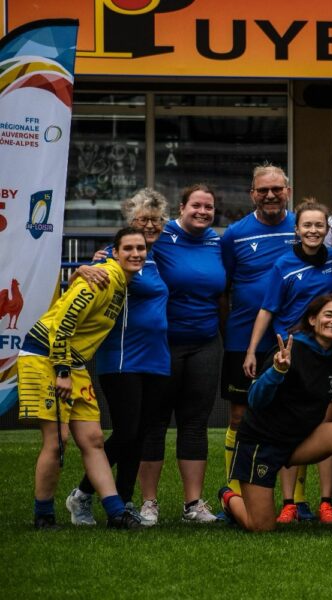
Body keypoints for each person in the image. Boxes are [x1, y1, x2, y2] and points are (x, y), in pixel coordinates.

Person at [219, 294, 332, 534]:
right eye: (328, 314)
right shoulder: (289, 349)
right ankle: (228, 498)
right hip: (262, 444)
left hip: (299, 441)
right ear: (311, 319)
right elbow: (254, 399)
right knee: (261, 527)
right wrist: (277, 371)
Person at [20, 227, 147, 529]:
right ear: (115, 252)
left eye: (140, 249)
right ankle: (43, 514)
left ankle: (116, 513)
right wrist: (62, 371)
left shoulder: (119, 280)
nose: (136, 254)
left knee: (93, 439)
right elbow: (63, 323)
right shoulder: (102, 278)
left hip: (72, 363)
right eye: (128, 248)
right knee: (57, 441)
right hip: (46, 357)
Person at [64, 190, 171, 527]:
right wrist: (79, 270)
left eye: (155, 221)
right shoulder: (113, 257)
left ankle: (123, 506)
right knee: (125, 433)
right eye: (142, 220)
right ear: (130, 223)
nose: (149, 226)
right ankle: (82, 494)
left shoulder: (152, 257)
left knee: (139, 435)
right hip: (123, 359)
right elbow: (85, 281)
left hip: (157, 359)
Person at [243, 199, 332, 524]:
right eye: (307, 225)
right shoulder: (283, 265)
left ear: (327, 230)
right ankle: (289, 503)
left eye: (319, 225)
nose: (313, 231)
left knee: (323, 424)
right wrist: (252, 350)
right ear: (297, 230)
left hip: (326, 353)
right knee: (290, 425)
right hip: (290, 353)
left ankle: (326, 502)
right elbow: (267, 309)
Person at [141, 183, 226, 524]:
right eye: (197, 206)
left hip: (206, 342)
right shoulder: (160, 235)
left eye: (209, 207)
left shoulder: (218, 242)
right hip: (163, 343)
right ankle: (148, 502)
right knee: (155, 423)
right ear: (181, 206)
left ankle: (193, 504)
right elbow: (122, 250)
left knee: (195, 424)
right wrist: (98, 260)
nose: (203, 212)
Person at [221, 164, 298, 508]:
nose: (270, 195)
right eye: (263, 190)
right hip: (243, 337)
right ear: (252, 194)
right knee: (239, 415)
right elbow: (223, 285)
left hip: (292, 337)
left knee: (293, 413)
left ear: (288, 191)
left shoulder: (305, 226)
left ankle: (296, 500)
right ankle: (233, 490)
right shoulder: (234, 234)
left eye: (276, 189)